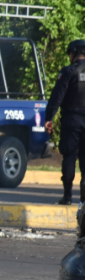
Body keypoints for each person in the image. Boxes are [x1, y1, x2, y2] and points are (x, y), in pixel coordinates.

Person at [45, 39, 85, 205]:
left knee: (69, 156)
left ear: (73, 52)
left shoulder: (69, 71)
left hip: (72, 121)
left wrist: (49, 117)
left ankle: (68, 195)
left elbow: (57, 97)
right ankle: (84, 200)